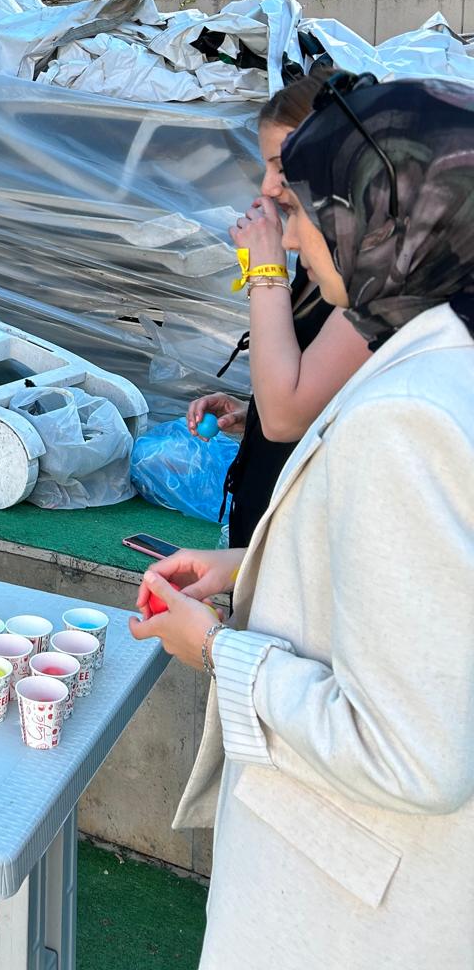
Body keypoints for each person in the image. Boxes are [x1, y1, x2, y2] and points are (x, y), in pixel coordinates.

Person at [131, 75, 474, 969]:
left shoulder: (407, 417)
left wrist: (219, 652)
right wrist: (253, 564)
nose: (285, 233)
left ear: (387, 223)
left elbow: (415, 756)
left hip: (354, 908)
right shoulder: (445, 352)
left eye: (305, 209)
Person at [187, 70, 370, 546]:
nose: (268, 187)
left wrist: (266, 271)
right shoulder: (323, 266)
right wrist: (254, 412)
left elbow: (286, 417)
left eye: (281, 168)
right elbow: (317, 396)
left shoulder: (373, 284)